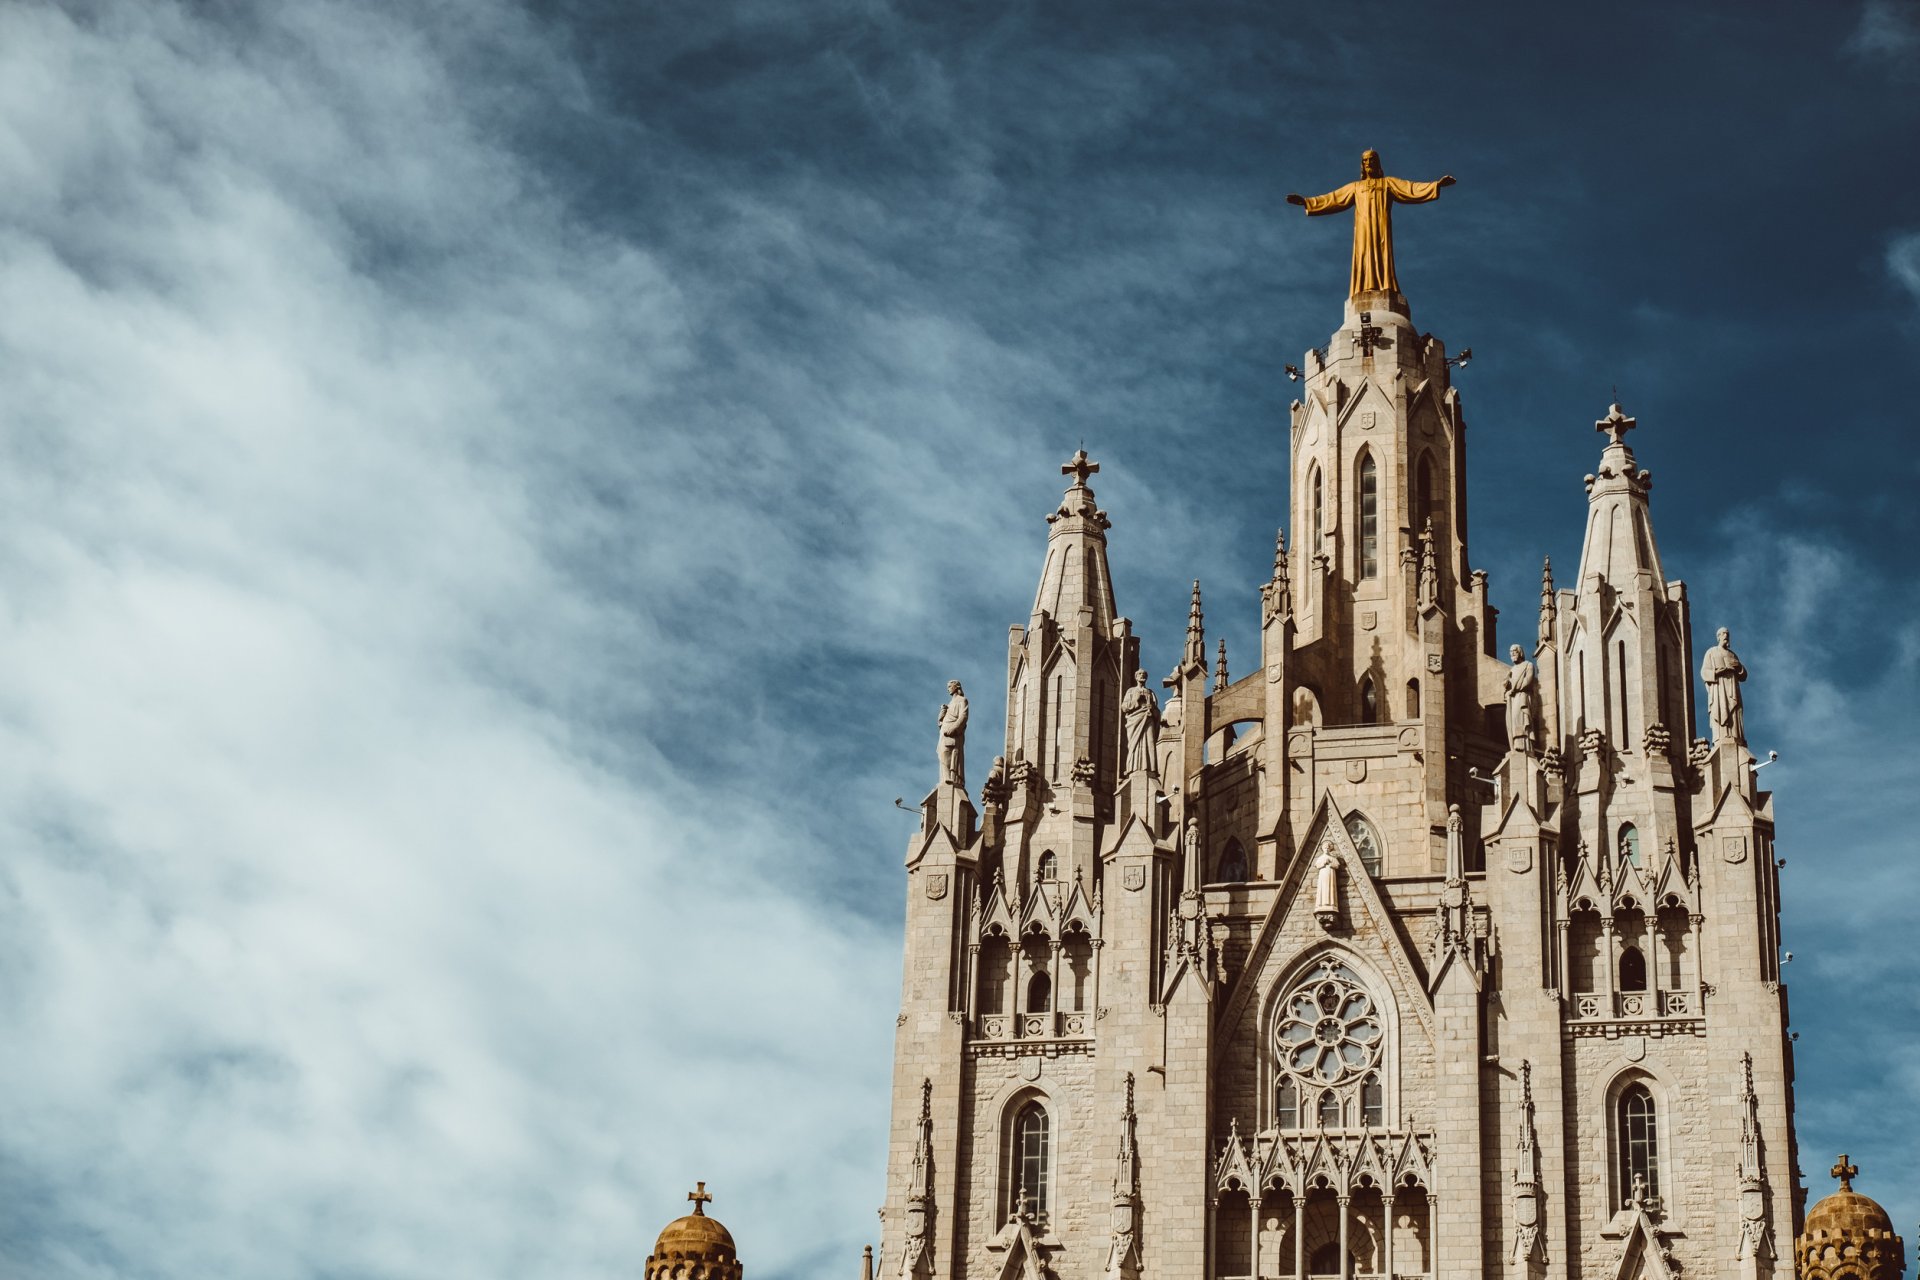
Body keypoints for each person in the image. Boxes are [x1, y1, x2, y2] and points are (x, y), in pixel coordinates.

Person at [1286, 150, 1456, 297]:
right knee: (1363, 254)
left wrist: (1436, 185)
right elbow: (1333, 198)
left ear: (1377, 162)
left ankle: (1385, 285)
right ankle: (1362, 287)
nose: (1368, 163)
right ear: (1362, 164)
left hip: (1381, 227)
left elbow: (1410, 188)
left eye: (1371, 159)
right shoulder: (1355, 187)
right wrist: (1307, 202)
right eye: (1365, 160)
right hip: (1363, 229)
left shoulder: (1387, 183)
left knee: (1381, 252)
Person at [1700, 627, 1747, 744]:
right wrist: (1717, 672)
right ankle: (1720, 738)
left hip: (1732, 688)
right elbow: (1704, 672)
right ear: (1718, 637)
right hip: (1719, 688)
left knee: (1734, 710)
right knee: (1720, 709)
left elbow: (1743, 676)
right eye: (1723, 634)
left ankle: (1736, 737)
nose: (1726, 636)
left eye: (1727, 634)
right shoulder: (1711, 652)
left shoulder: (1733, 655)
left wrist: (1739, 667)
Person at [1120, 669, 1160, 776]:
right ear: (1136, 677)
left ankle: (1151, 768)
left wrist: (1153, 709)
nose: (1142, 676)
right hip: (1135, 721)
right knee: (1135, 744)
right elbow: (1124, 707)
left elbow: (1157, 711)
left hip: (1148, 719)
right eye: (1139, 674)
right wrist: (1136, 700)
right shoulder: (1131, 691)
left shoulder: (1151, 692)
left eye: (1144, 674)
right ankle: (1133, 767)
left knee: (1150, 742)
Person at [1504, 644, 1537, 753]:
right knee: (1514, 720)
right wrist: (1507, 684)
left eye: (1514, 651)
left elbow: (1528, 681)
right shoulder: (1512, 670)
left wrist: (1513, 688)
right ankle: (1516, 744)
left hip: (1522, 696)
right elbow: (1506, 687)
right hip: (1513, 699)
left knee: (1521, 718)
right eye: (1510, 652)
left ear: (1520, 652)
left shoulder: (1528, 665)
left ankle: (1524, 745)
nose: (1512, 653)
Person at [937, 680, 968, 786]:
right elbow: (941, 722)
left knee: (948, 755)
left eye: (950, 686)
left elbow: (963, 717)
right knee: (942, 754)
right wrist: (942, 713)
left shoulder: (962, 700)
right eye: (948, 686)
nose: (948, 688)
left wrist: (954, 729)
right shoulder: (950, 704)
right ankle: (944, 779)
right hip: (944, 733)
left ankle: (950, 778)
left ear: (956, 686)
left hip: (952, 734)